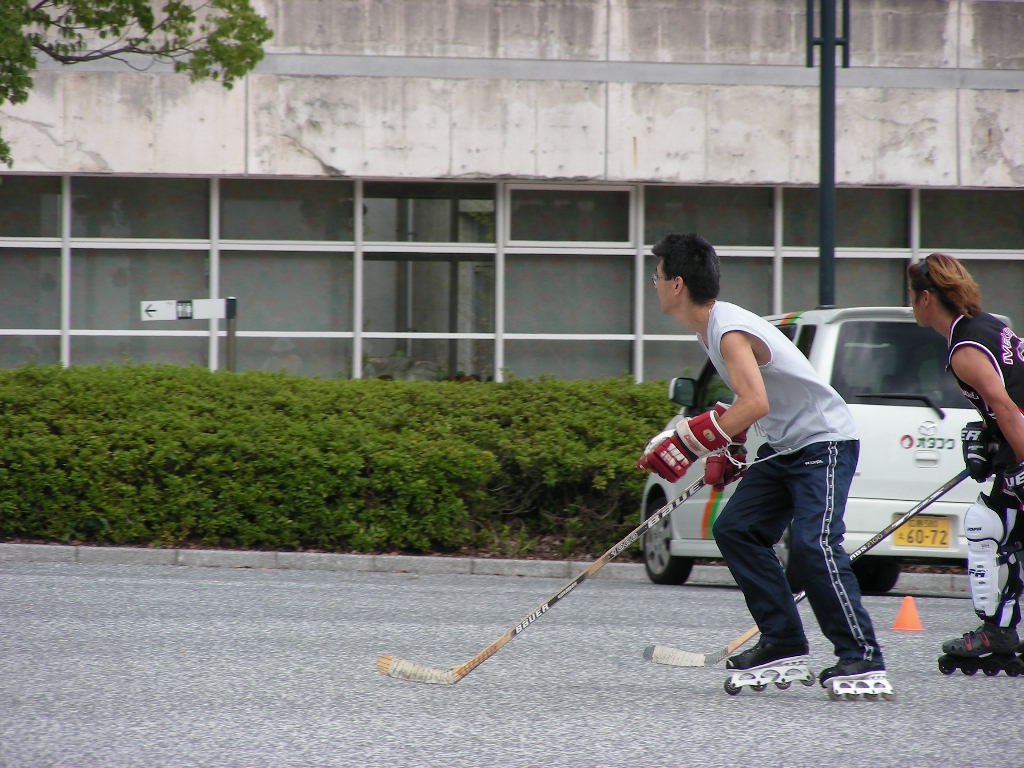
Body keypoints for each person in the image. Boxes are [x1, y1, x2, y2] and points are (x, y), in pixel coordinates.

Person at [637, 232, 888, 694]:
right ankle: (783, 641)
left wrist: (689, 442)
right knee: (736, 529)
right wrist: (729, 449)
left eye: (655, 277)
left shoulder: (728, 330)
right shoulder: (712, 329)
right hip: (785, 447)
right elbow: (753, 405)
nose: (652, 285)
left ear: (676, 284)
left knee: (814, 546)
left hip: (824, 443)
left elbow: (754, 402)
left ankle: (861, 656)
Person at [908, 252, 1024, 673]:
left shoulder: (965, 349)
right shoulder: (988, 323)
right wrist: (990, 439)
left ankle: (998, 631)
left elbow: (1006, 406)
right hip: (1016, 440)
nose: (910, 305)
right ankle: (1001, 628)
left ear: (925, 299)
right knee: (999, 527)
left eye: (911, 296)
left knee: (985, 526)